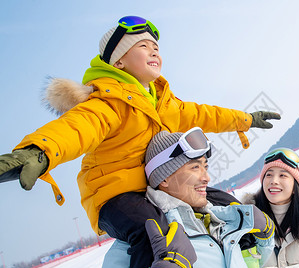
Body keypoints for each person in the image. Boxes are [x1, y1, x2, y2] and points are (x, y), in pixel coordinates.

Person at [0, 16, 280, 238]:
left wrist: (246, 120)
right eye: (143, 47)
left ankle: (247, 262)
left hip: (156, 188)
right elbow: (77, 127)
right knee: (159, 236)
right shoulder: (108, 102)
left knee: (228, 206)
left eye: (156, 47)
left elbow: (206, 115)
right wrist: (39, 151)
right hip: (115, 196)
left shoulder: (165, 102)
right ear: (119, 61)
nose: (154, 51)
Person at [94, 128, 275, 268]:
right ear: (164, 177)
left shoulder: (220, 220)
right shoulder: (140, 241)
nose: (207, 177)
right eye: (195, 168)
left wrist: (265, 238)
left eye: (205, 166)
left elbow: (253, 266)